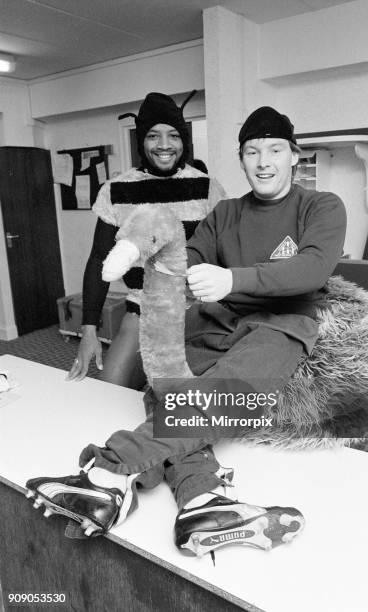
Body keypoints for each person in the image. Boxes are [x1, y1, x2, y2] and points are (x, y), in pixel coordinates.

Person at [26, 105, 346, 558]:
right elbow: (191, 256)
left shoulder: (322, 206)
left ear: (294, 156)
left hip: (281, 324)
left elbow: (311, 269)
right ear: (241, 159)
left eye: (275, 149)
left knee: (230, 390)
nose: (264, 161)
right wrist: (167, 260)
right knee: (164, 386)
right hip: (216, 322)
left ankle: (107, 474)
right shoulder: (227, 212)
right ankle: (201, 499)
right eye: (252, 151)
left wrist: (232, 279)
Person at [67, 91, 226, 388]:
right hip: (143, 312)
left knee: (190, 404)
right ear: (141, 140)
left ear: (184, 140)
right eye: (153, 135)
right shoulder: (116, 190)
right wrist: (88, 329)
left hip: (199, 313)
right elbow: (99, 259)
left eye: (173, 135)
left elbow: (225, 255)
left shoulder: (208, 189)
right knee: (110, 390)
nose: (164, 145)